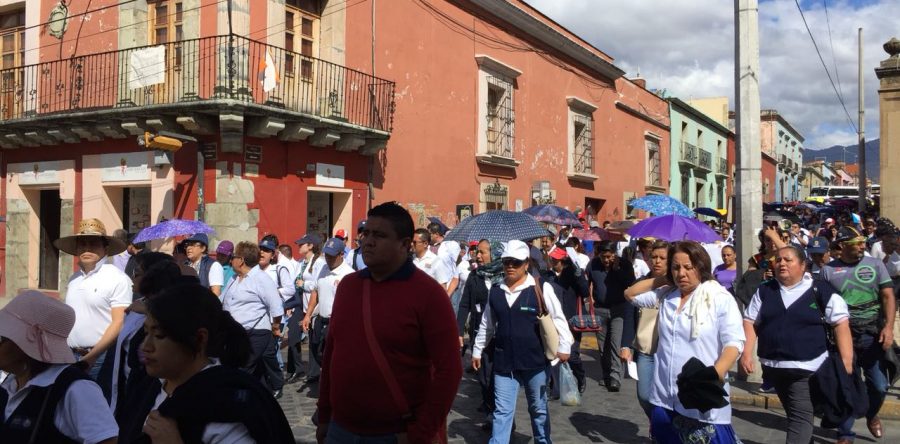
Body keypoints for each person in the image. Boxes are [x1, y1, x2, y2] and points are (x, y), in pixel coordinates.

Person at [317, 202, 462, 443]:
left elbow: (450, 370)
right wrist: (324, 414)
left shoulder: (428, 294)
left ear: (405, 244)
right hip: (340, 428)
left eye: (379, 235)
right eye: (366, 234)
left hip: (395, 432)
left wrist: (422, 432)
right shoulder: (348, 287)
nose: (368, 241)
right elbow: (332, 351)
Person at [131, 283, 294, 443]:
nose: (146, 346)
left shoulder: (227, 407)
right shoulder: (149, 388)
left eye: (159, 335)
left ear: (200, 338)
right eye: (146, 333)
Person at [625, 241, 744, 443]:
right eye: (676, 267)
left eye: (688, 267)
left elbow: (734, 343)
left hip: (701, 397)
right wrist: (664, 279)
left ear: (701, 267)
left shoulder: (719, 298)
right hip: (665, 396)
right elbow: (630, 294)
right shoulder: (667, 295)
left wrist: (714, 375)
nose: (682, 273)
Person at [740, 245, 854, 444]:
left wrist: (846, 360)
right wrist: (746, 353)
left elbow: (840, 323)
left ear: (802, 265)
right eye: (778, 260)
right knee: (795, 412)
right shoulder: (765, 290)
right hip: (774, 367)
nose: (782, 263)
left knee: (799, 417)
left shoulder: (820, 290)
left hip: (806, 368)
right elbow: (750, 321)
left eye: (788, 260)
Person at [472, 240, 573, 443]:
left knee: (538, 409)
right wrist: (477, 349)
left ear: (526, 263)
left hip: (535, 361)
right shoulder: (496, 290)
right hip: (504, 362)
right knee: (502, 411)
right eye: (506, 261)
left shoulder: (540, 288)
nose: (510, 266)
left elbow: (558, 319)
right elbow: (487, 324)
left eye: (516, 262)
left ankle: (543, 441)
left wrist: (564, 347)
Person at [0, 290, 118, 443]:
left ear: (25, 346)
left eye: (2, 338)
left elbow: (106, 440)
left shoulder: (76, 388)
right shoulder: (10, 382)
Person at [822, 226, 895, 443]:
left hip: (871, 334)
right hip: (842, 336)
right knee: (845, 384)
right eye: (858, 243)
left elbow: (888, 296)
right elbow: (822, 303)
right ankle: (845, 433)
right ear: (843, 245)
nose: (863, 246)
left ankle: (871, 414)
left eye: (864, 241)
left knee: (880, 386)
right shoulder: (828, 271)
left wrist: (888, 327)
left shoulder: (875, 265)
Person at [54, 218, 133, 382]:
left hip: (101, 358)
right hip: (71, 355)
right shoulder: (74, 279)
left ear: (105, 248)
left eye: (94, 244)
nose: (87, 248)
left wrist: (91, 357)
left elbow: (119, 322)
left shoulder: (117, 278)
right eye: (82, 244)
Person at [220, 241, 285, 399]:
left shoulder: (261, 278)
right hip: (236, 334)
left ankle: (237, 401)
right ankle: (263, 398)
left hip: (256, 333)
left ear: (241, 260)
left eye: (233, 257)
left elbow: (276, 306)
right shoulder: (234, 278)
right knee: (254, 373)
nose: (231, 260)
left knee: (242, 368)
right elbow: (223, 300)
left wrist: (275, 327)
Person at [457, 239, 502, 428]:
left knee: (499, 378)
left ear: (495, 254)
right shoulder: (474, 276)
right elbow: (464, 304)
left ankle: (500, 416)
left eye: (483, 252)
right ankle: (490, 407)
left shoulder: (504, 276)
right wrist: (459, 331)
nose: (478, 255)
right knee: (484, 377)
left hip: (501, 335)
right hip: (480, 333)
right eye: (477, 252)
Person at [624, 240, 669, 419]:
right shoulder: (642, 283)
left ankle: (662, 427)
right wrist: (626, 345)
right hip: (646, 347)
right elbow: (629, 312)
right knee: (644, 394)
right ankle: (656, 421)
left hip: (668, 348)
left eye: (662, 258)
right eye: (654, 257)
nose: (657, 261)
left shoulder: (678, 286)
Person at [586, 240, 636, 392]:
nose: (606, 260)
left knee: (615, 343)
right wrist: (590, 299)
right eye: (603, 257)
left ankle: (615, 377)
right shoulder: (593, 264)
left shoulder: (625, 265)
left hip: (619, 309)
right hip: (600, 309)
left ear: (614, 254)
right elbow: (588, 283)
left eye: (609, 257)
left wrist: (617, 269)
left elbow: (631, 283)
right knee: (603, 347)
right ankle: (606, 374)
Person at [301, 238, 354, 374]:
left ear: (341, 254)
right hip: (321, 318)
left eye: (332, 255)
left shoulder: (349, 275)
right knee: (316, 350)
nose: (328, 258)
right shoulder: (323, 268)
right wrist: (308, 315)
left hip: (337, 322)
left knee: (332, 357)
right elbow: (315, 292)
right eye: (327, 255)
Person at [545, 246, 590, 396]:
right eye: (552, 259)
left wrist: (579, 274)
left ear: (563, 261)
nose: (553, 262)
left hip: (572, 320)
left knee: (573, 354)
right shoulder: (549, 275)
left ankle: (580, 376)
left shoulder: (573, 273)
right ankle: (556, 388)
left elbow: (585, 292)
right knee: (554, 353)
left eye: (556, 260)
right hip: (554, 319)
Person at [295, 233, 327, 384]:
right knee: (312, 339)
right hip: (305, 305)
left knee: (316, 341)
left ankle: (318, 371)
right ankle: (313, 372)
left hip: (315, 307)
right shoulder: (303, 262)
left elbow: (317, 284)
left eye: (302, 244)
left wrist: (304, 284)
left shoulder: (319, 262)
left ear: (310, 246)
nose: (299, 246)